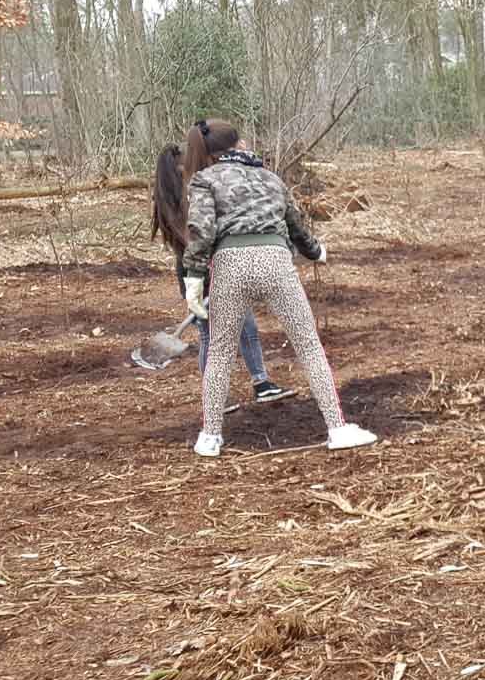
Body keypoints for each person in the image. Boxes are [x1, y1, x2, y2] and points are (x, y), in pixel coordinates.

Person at [178, 119, 375, 457]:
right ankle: (338, 428)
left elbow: (202, 230)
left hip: (230, 266)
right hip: (276, 262)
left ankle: (209, 437)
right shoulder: (271, 178)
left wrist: (193, 277)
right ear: (239, 144)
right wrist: (317, 252)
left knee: (220, 353)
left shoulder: (204, 179)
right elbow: (295, 225)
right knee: (309, 347)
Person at [152, 142, 292, 410]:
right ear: (179, 171)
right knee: (211, 336)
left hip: (224, 269)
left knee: (247, 329)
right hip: (198, 277)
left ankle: (262, 384)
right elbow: (195, 242)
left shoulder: (199, 192)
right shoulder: (177, 206)